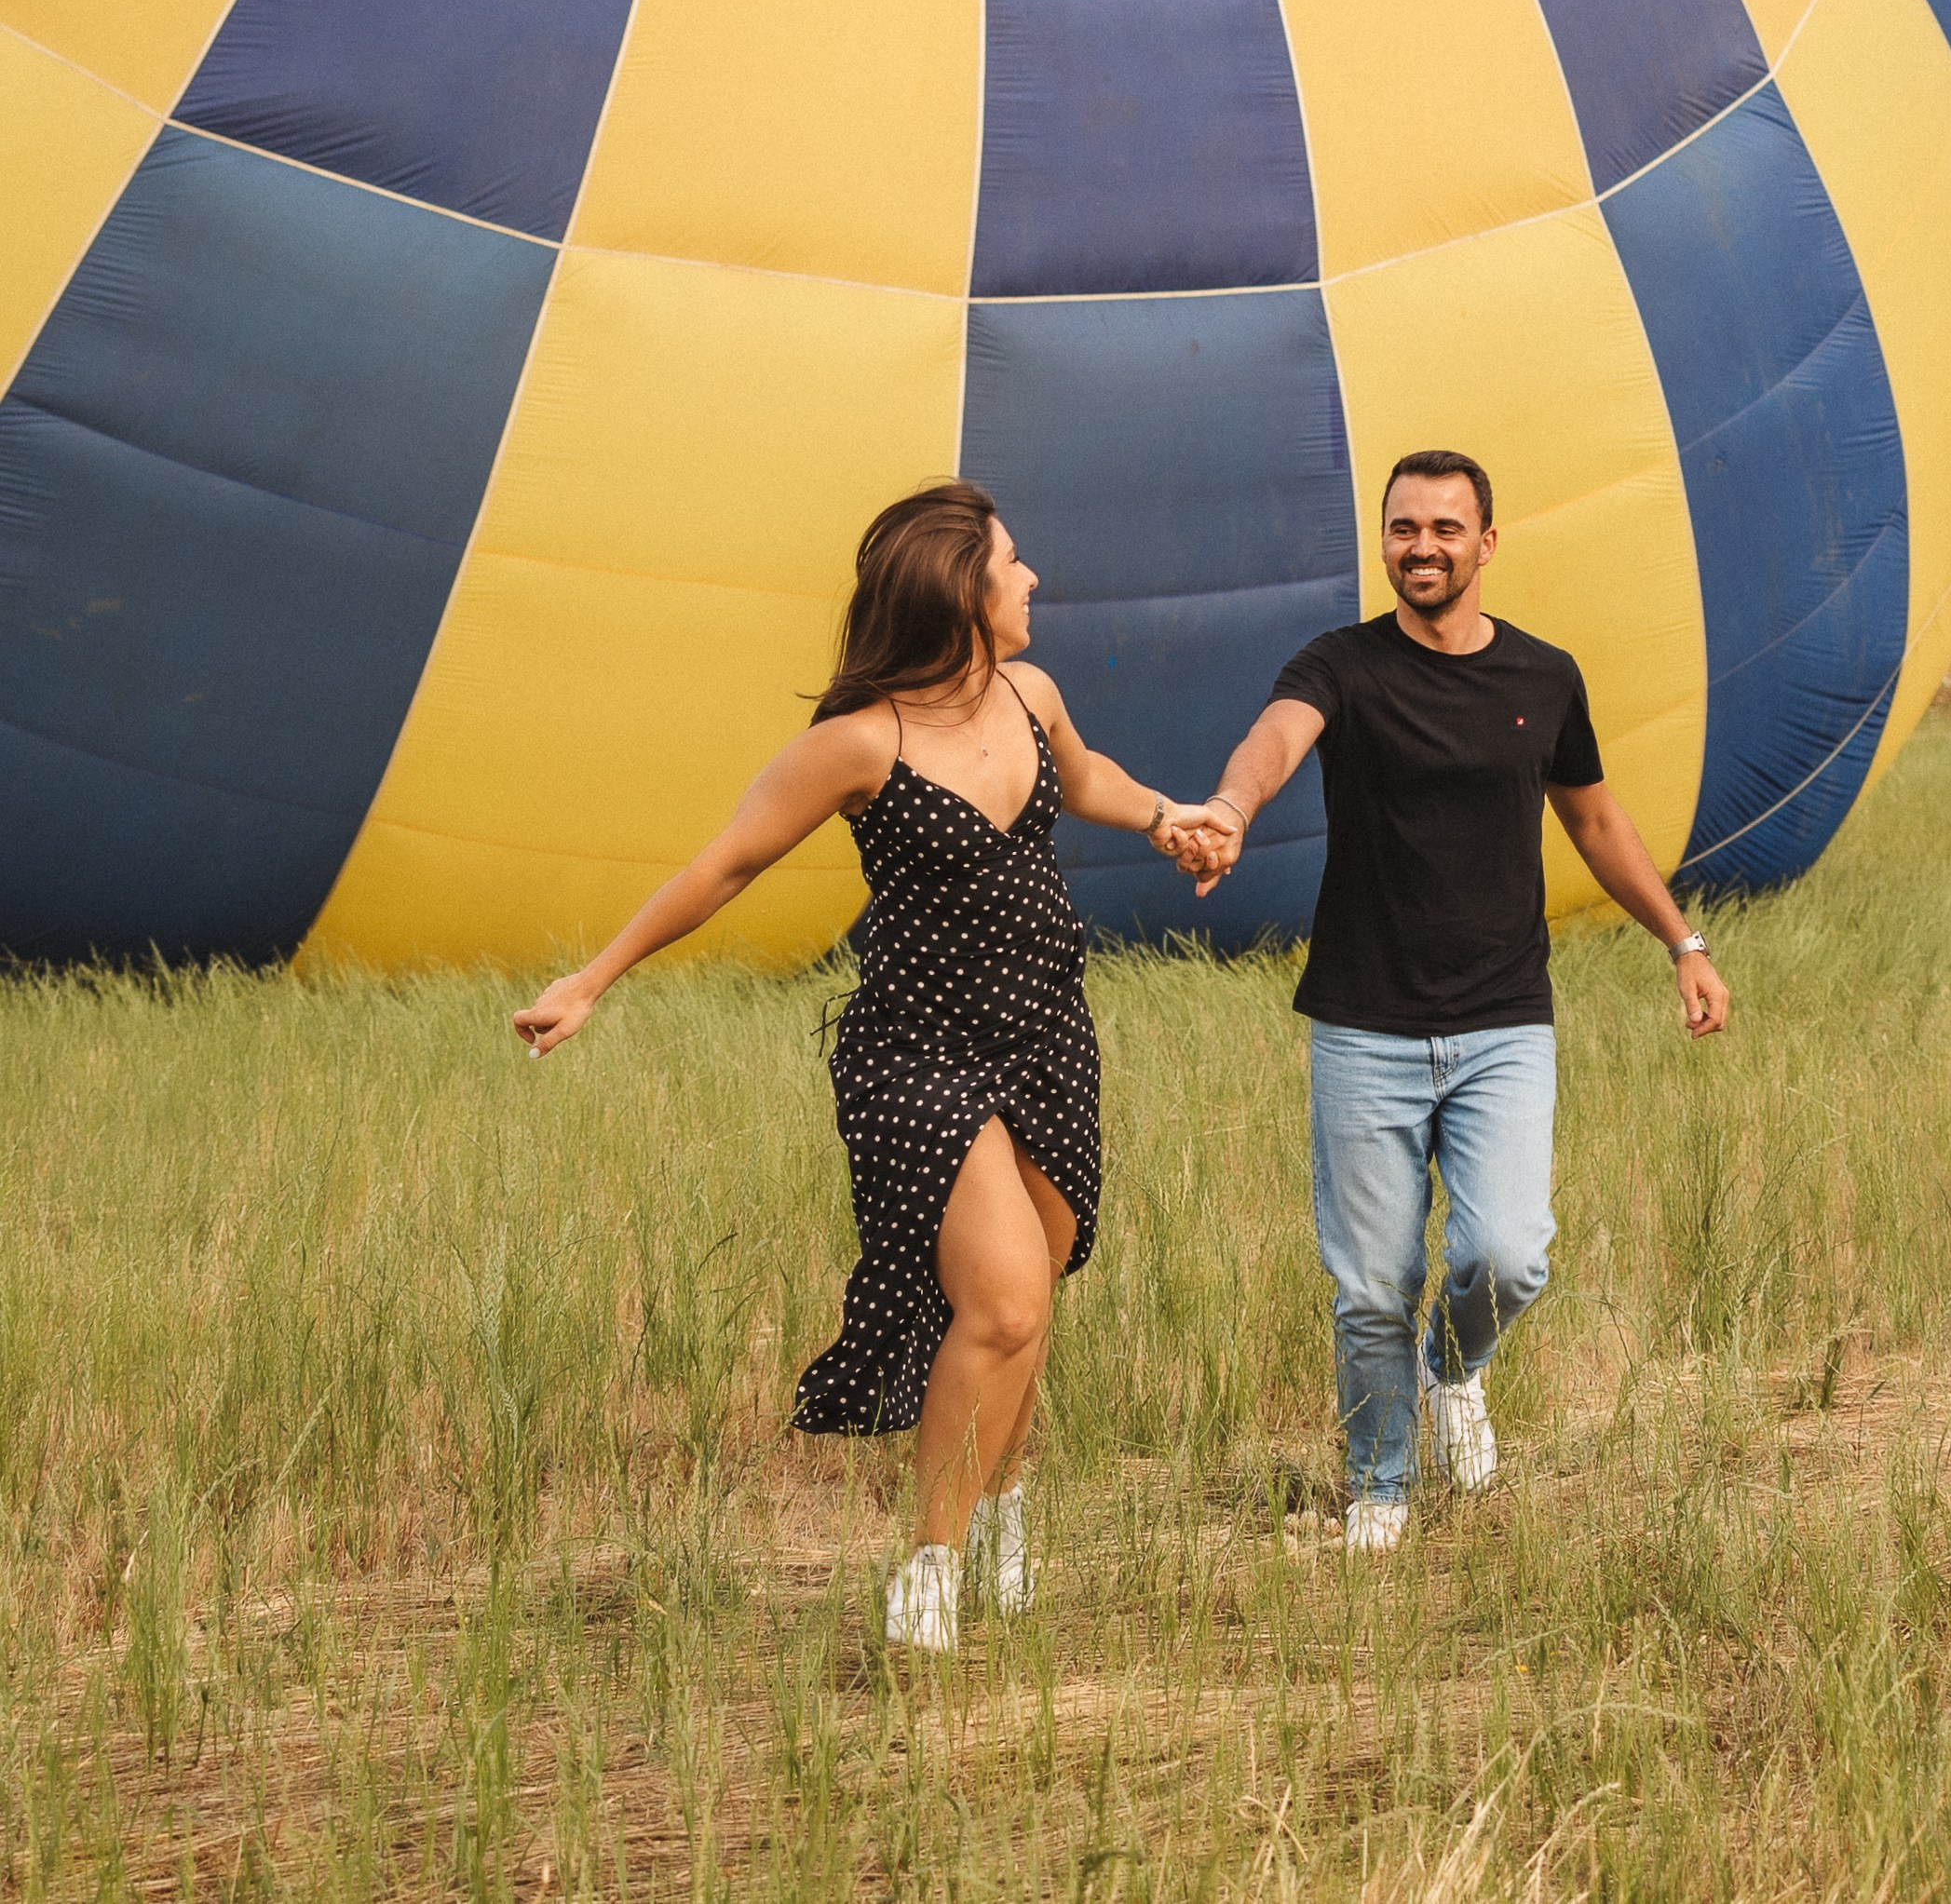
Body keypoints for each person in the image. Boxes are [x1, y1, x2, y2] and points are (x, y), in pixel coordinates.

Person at [511, 477, 1218, 1654]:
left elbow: (1081, 777)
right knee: (998, 1300)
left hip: (1045, 1032)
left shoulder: (1030, 693)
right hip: (915, 1052)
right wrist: (590, 979)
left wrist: (1167, 816)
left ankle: (1002, 1522)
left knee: (1028, 1301)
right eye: (1011, 561)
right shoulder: (856, 745)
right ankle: (928, 1576)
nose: (1032, 576)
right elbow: (725, 865)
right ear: (960, 590)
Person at [1179, 449, 1729, 1549]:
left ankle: (1452, 1370)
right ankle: (1379, 1490)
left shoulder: (1541, 676)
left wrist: (1683, 938)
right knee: (1370, 1284)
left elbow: (1594, 822)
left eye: (1442, 527)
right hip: (1363, 1023)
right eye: (1400, 528)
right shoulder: (1339, 664)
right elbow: (1273, 741)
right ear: (1381, 540)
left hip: (1501, 1020)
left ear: (1486, 542)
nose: (1419, 546)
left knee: (1508, 1253)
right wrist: (1231, 806)